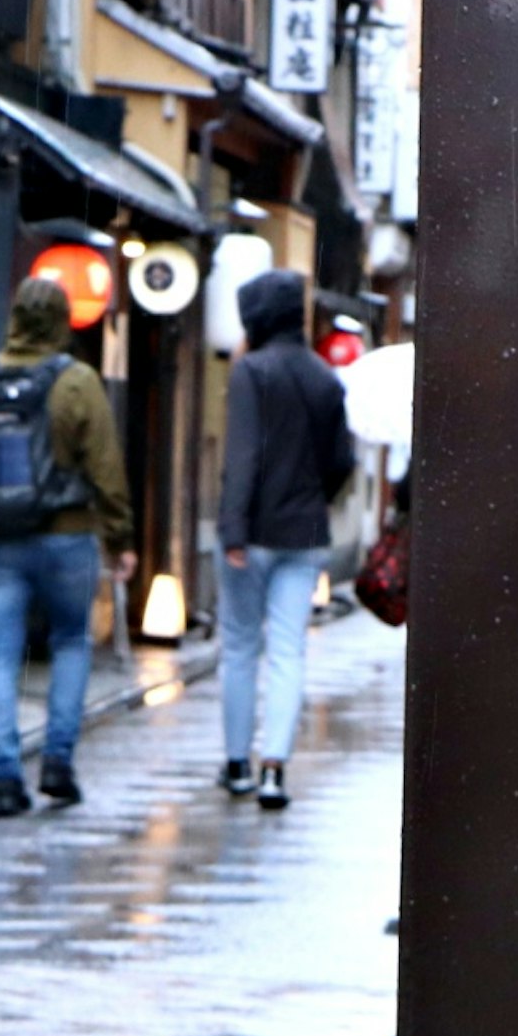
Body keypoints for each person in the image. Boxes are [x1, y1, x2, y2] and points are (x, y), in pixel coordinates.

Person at [0, 275, 134, 817]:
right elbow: (106, 467)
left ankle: (5, 776)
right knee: (70, 643)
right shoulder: (78, 383)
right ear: (61, 322)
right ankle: (57, 762)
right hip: (66, 538)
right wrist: (120, 537)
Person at [216, 270, 356, 810]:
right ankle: (275, 768)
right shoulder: (324, 377)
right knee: (288, 652)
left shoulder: (252, 371)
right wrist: (315, 495)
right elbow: (342, 459)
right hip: (304, 533)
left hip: (251, 536)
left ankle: (237, 763)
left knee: (240, 646)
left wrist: (233, 527)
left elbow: (243, 456)